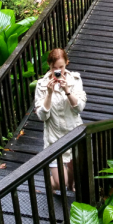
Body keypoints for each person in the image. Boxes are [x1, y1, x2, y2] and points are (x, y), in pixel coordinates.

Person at [34, 48, 86, 190]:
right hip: (54, 140)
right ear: (49, 67)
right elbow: (42, 116)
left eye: (61, 67)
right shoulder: (41, 85)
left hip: (73, 135)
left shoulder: (74, 80)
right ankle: (51, 184)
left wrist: (67, 91)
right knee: (60, 183)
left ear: (67, 64)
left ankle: (71, 185)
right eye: (54, 68)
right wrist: (49, 94)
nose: (58, 71)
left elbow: (79, 108)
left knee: (73, 180)